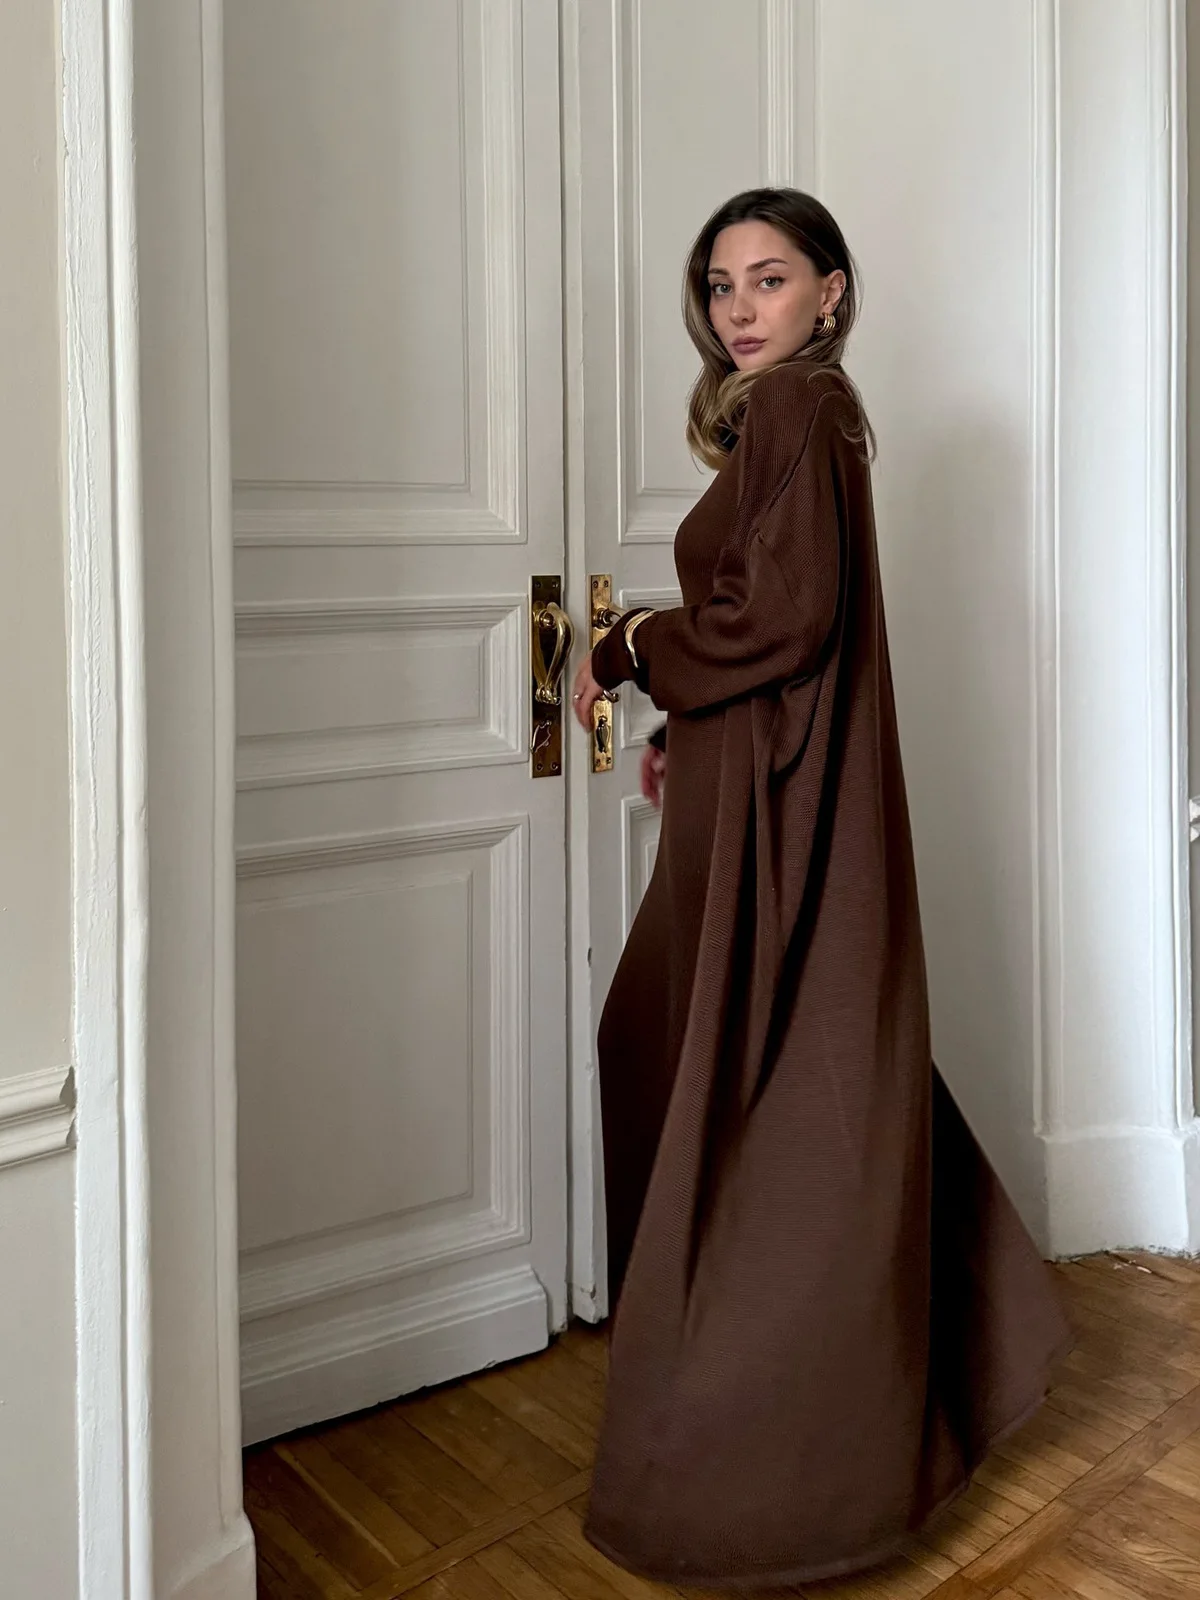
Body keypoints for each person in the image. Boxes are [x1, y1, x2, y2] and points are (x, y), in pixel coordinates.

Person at [569, 188, 1072, 1588]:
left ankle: (758, 1475)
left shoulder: (797, 405)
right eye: (720, 284)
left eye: (771, 278)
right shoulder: (816, 415)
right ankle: (883, 1403)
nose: (739, 308)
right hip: (764, 784)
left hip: (779, 811)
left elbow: (782, 622)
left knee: (747, 1087)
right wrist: (690, 729)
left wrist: (635, 647)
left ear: (831, 292)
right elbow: (786, 627)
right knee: (778, 1069)